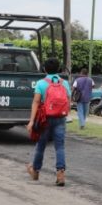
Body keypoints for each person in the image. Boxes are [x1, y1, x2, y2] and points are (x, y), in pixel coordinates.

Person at [25, 58, 70, 186]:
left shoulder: (41, 83)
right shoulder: (64, 83)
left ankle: (35, 171)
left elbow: (36, 102)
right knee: (60, 147)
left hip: (45, 118)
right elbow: (68, 100)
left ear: (44, 69)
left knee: (41, 145)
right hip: (60, 118)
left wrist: (31, 121)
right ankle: (60, 174)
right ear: (59, 69)